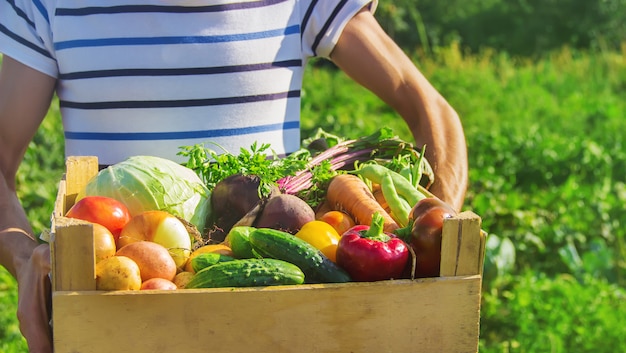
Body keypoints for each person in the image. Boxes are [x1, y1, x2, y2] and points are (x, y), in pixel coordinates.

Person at [0, 0, 467, 351]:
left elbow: (428, 107)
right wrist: (23, 257)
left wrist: (435, 233)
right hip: (115, 305)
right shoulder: (45, 4)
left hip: (284, 319)